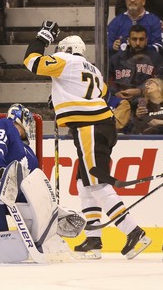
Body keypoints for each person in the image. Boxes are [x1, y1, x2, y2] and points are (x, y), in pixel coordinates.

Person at [23, 21, 151, 259]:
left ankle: (134, 232)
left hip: (90, 127)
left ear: (66, 50)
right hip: (101, 125)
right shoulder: (93, 69)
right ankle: (93, 239)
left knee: (96, 183)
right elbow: (100, 92)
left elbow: (31, 62)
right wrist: (62, 99)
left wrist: (42, 38)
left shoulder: (65, 61)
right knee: (84, 182)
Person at [107, 24, 163, 132]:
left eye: (141, 39)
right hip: (120, 103)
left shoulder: (155, 58)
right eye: (134, 39)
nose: (138, 43)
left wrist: (139, 91)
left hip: (147, 104)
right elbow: (109, 81)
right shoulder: (116, 59)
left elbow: (160, 82)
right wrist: (116, 93)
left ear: (147, 40)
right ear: (128, 40)